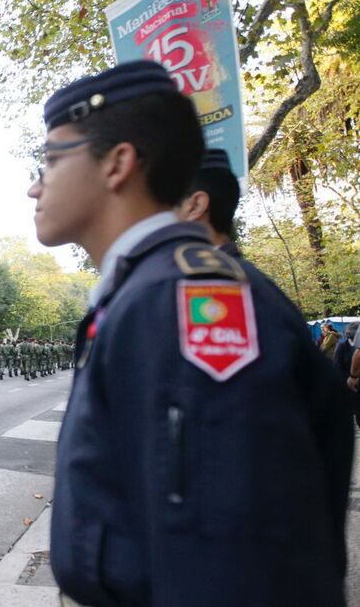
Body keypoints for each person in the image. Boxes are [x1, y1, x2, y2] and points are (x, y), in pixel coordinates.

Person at [30, 60, 354, 605]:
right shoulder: (148, 290)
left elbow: (226, 556)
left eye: (50, 161)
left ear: (118, 163)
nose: (34, 186)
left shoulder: (180, 302)